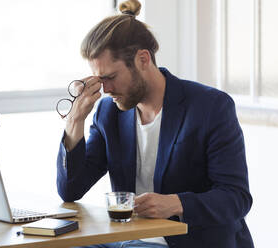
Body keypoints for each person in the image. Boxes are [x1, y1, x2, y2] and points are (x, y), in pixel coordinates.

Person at [56, 0, 254, 247]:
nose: (105, 89)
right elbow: (71, 190)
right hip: (126, 238)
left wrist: (175, 203)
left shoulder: (210, 107)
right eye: (99, 79)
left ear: (142, 59)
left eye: (111, 77)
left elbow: (236, 197)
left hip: (185, 240)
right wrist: (75, 120)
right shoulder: (109, 113)